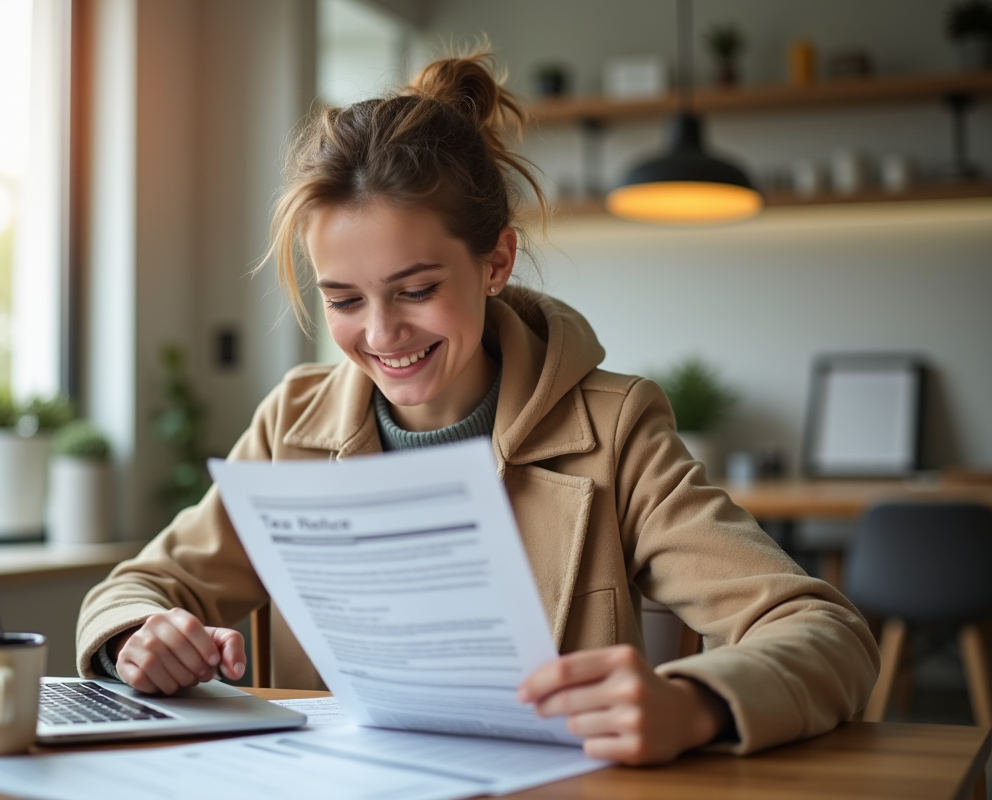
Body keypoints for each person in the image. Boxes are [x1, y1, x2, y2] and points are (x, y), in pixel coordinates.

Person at [76, 51, 878, 765]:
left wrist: (697, 703)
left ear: (496, 261)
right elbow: (140, 586)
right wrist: (141, 638)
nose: (382, 334)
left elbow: (826, 635)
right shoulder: (294, 420)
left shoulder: (617, 427)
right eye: (344, 300)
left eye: (417, 290)